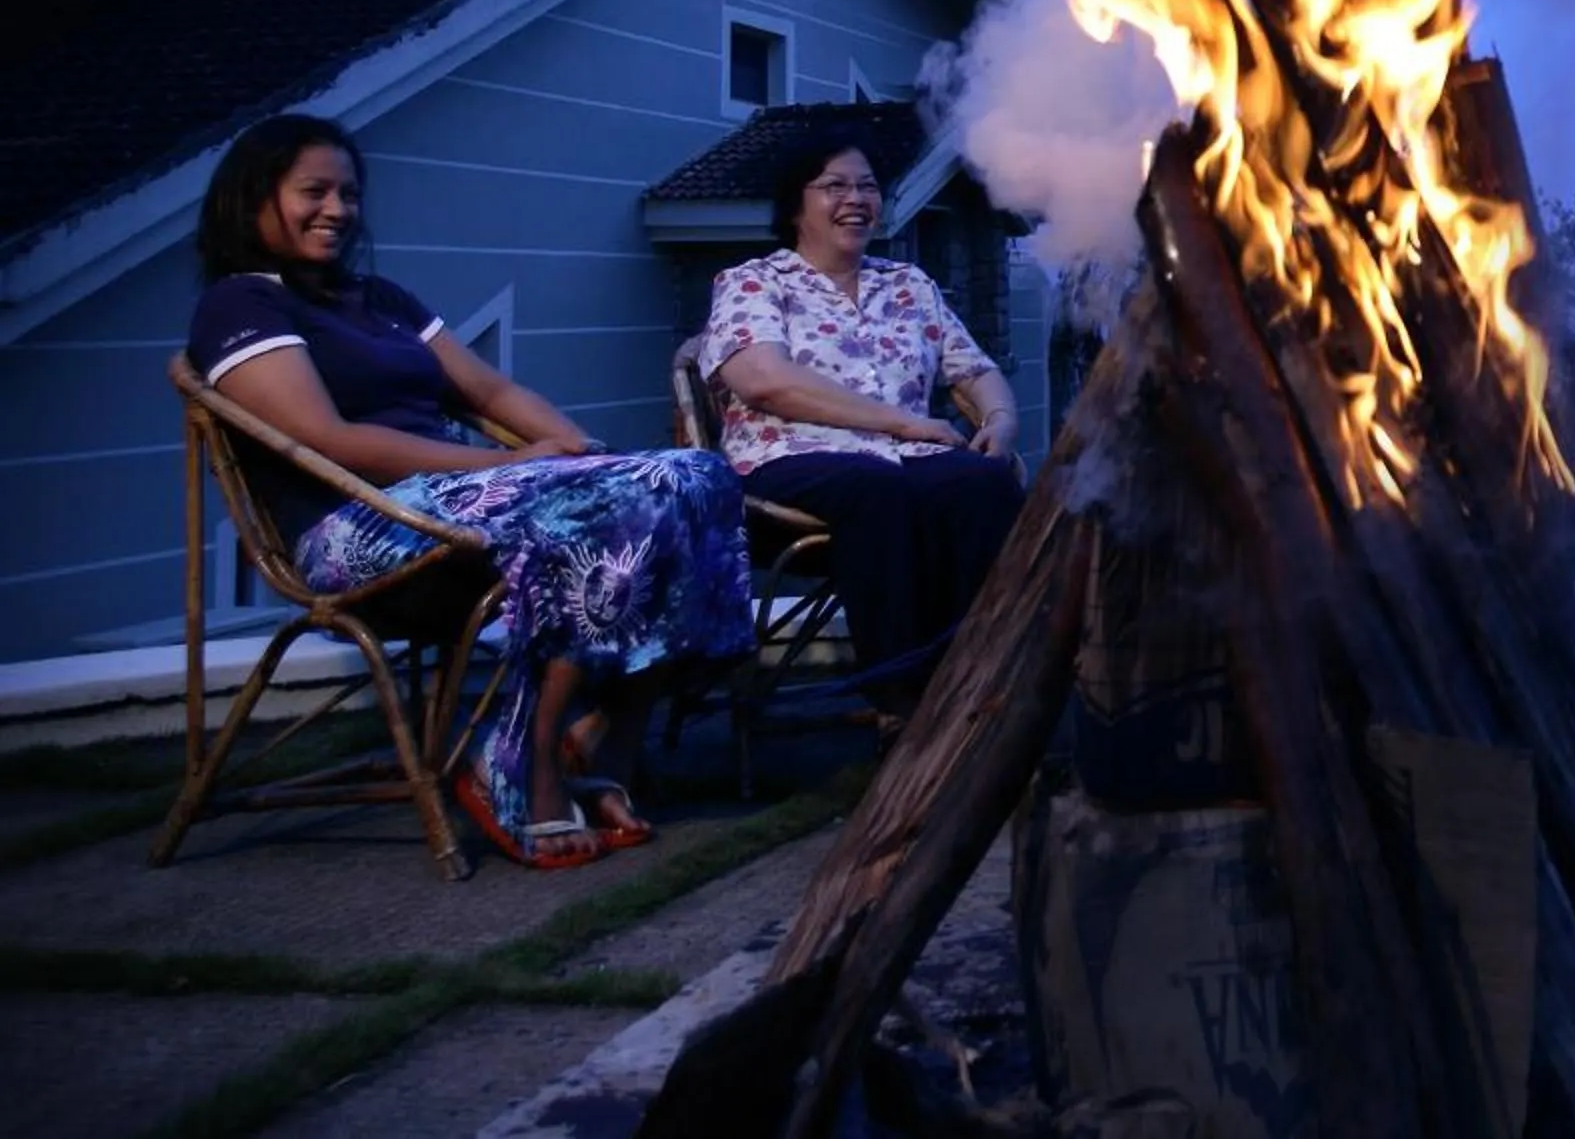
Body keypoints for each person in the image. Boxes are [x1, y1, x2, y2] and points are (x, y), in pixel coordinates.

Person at [186, 115, 756, 871]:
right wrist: (498, 469)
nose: (337, 209)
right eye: (313, 191)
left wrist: (582, 454)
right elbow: (327, 438)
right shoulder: (241, 305)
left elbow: (486, 386)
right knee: (599, 507)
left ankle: (606, 732)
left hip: (454, 505)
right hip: (353, 525)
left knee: (693, 477)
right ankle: (528, 764)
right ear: (252, 199)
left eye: (349, 194)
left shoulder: (378, 298)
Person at [702, 127, 1026, 714]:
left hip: (904, 461)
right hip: (786, 464)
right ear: (796, 206)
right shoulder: (755, 281)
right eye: (834, 186)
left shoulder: (907, 285)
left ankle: (981, 677)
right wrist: (901, 424)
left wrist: (1001, 420)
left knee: (980, 482)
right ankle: (899, 699)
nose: (855, 199)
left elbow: (975, 370)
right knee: (874, 487)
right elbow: (763, 379)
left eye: (868, 187)